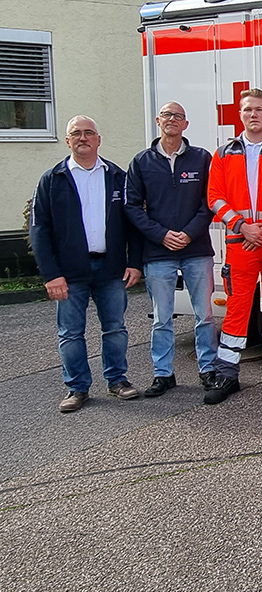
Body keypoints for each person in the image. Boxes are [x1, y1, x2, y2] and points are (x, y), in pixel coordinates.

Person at [29, 115, 143, 412]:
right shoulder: (52, 180)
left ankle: (117, 380)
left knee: (115, 328)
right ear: (67, 141)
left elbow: (133, 224)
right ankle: (77, 388)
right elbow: (39, 230)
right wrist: (51, 275)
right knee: (70, 332)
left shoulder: (116, 176)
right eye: (76, 133)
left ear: (98, 139)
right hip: (69, 273)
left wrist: (134, 262)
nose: (83, 138)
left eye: (88, 133)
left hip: (111, 269)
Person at [205, 88, 262, 404]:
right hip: (239, 241)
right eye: (247, 110)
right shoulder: (224, 153)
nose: (252, 114)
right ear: (239, 115)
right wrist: (243, 226)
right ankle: (227, 373)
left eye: (258, 109)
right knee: (237, 306)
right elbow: (215, 197)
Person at [124, 102, 216, 397]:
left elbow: (209, 202)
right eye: (167, 115)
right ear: (158, 121)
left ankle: (208, 369)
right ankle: (163, 374)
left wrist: (188, 234)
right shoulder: (142, 162)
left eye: (178, 116)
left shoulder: (202, 158)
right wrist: (162, 235)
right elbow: (132, 207)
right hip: (158, 252)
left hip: (196, 248)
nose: (172, 120)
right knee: (162, 317)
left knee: (205, 315)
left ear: (185, 124)